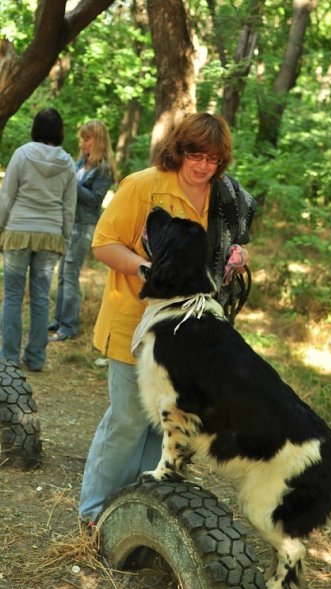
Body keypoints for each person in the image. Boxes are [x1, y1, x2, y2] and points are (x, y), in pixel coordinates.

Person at [79, 112, 256, 525]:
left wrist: (239, 257)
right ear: (179, 150)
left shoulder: (224, 198)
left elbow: (223, 251)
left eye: (213, 160)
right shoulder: (143, 185)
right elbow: (103, 244)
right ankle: (93, 514)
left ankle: (135, 509)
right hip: (134, 324)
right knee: (126, 420)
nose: (203, 167)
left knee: (162, 425)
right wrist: (150, 271)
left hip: (188, 331)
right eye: (196, 155)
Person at [0, 108, 77, 372]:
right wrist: (64, 237)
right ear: (59, 132)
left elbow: (7, 196)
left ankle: (8, 358)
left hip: (18, 231)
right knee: (41, 298)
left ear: (35, 128)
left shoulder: (22, 154)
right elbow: (69, 206)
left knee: (11, 296)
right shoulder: (67, 162)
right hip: (50, 234)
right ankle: (35, 358)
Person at [49, 119, 115, 341]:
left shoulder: (104, 169)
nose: (82, 143)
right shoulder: (80, 163)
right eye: (82, 138)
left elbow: (95, 199)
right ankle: (59, 319)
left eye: (87, 139)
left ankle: (69, 325)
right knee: (62, 274)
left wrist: (72, 183)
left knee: (70, 273)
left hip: (85, 226)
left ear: (97, 141)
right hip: (68, 223)